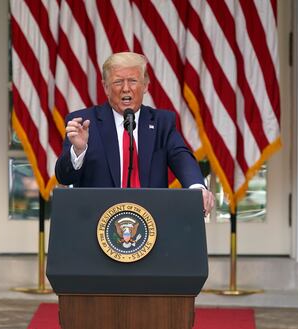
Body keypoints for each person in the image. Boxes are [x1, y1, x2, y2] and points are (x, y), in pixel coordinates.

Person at [55, 52, 215, 215]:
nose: (126, 88)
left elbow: (182, 157)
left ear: (145, 85)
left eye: (133, 81)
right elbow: (64, 177)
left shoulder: (162, 123)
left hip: (151, 224)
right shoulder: (85, 123)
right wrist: (78, 151)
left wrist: (197, 188)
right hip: (97, 223)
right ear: (106, 87)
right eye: (118, 82)